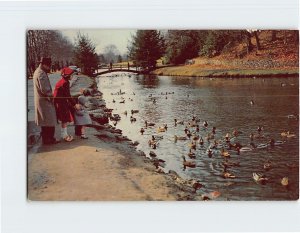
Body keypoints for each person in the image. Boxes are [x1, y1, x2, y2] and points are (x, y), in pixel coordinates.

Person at [33, 57, 59, 145]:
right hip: (45, 101)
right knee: (49, 120)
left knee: (45, 121)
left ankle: (47, 139)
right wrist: (51, 96)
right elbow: (45, 89)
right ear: (44, 65)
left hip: (42, 101)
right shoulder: (41, 73)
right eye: (49, 66)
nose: (49, 68)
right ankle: (49, 139)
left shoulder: (38, 71)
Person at [53, 67, 80, 142]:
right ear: (67, 76)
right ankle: (64, 135)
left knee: (64, 119)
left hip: (59, 102)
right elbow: (68, 95)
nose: (72, 76)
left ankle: (64, 134)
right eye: (71, 75)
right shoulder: (65, 83)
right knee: (64, 119)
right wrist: (75, 104)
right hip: (61, 103)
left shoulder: (62, 81)